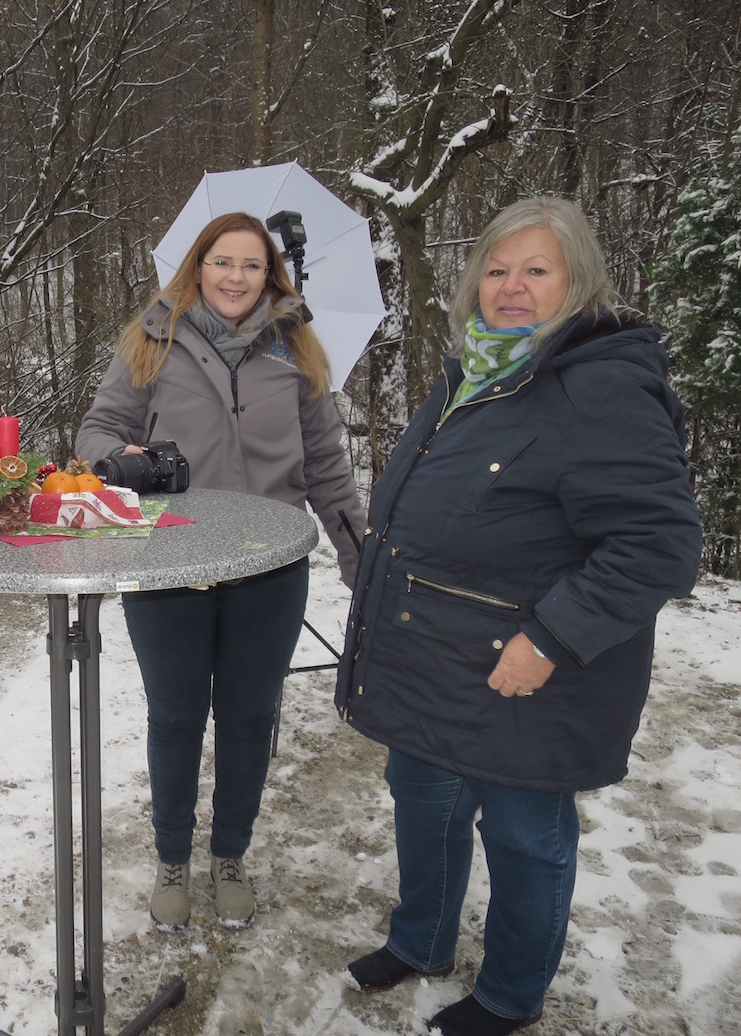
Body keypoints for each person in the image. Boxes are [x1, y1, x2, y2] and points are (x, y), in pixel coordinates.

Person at [335, 197, 703, 1036]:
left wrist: (552, 637)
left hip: (525, 667)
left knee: (524, 832)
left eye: (537, 270)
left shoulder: (600, 385)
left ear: (579, 281)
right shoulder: (476, 370)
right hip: (433, 652)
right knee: (421, 797)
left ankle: (509, 995)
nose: (511, 287)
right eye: (497, 270)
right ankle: (421, 941)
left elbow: (659, 543)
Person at [77, 211, 364, 930]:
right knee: (176, 719)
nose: (236, 277)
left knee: (249, 717)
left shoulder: (297, 351)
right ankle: (172, 858)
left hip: (270, 567)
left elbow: (326, 464)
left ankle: (229, 855)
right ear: (198, 267)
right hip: (167, 563)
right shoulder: (152, 340)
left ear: (271, 275)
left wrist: (360, 556)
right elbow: (99, 427)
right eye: (222, 262)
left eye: (252, 265)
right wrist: (118, 460)